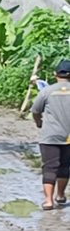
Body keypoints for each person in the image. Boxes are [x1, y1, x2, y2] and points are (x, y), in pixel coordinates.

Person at [31, 59, 70, 211]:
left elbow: (35, 111)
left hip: (50, 136)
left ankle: (48, 201)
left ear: (55, 74)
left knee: (49, 167)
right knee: (65, 166)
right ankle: (60, 195)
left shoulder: (47, 91)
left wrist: (39, 123)